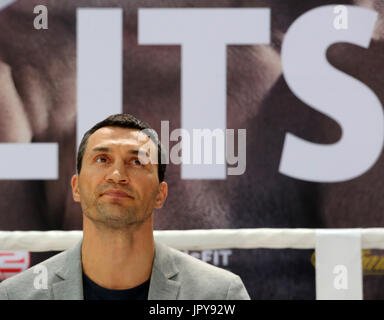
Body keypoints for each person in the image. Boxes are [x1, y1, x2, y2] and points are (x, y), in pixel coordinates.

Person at [0, 113, 250, 300]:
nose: (117, 174)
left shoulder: (219, 295)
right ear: (76, 187)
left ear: (160, 194)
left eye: (137, 161)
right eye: (102, 159)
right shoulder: (17, 295)